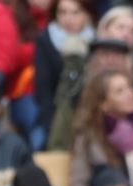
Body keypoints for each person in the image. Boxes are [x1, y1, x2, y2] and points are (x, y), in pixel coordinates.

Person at [33, 0, 94, 150]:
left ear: (86, 15)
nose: (68, 18)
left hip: (89, 113)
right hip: (55, 110)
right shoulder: (46, 40)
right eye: (62, 12)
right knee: (38, 141)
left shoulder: (96, 41)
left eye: (75, 12)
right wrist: (51, 125)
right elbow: (43, 88)